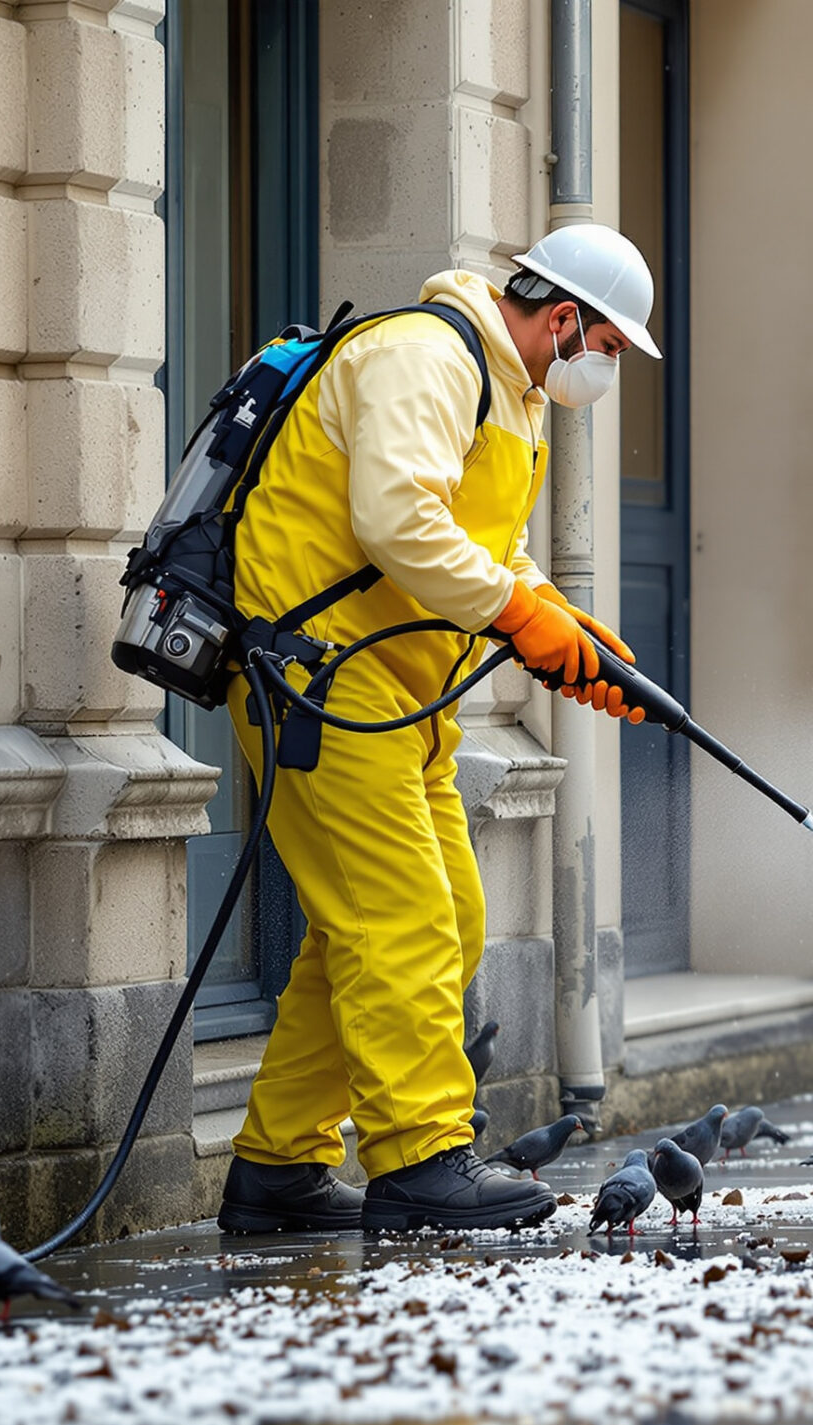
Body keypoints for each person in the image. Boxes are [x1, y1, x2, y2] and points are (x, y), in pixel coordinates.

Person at [215, 225, 656, 1233]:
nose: (607, 367)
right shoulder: (424, 356)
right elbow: (398, 521)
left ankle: (278, 1167)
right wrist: (521, 613)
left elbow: (477, 546)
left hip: (397, 693)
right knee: (398, 917)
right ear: (563, 319)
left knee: (437, 912)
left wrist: (565, 626)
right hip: (319, 683)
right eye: (610, 347)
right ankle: (419, 1164)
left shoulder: (509, 391)